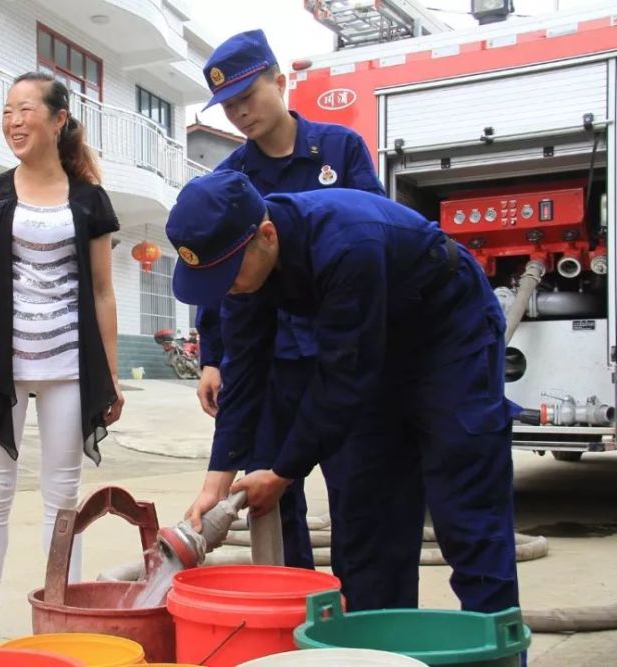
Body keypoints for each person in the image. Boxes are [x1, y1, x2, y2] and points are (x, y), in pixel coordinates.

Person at [167, 170, 521, 616]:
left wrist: (282, 472)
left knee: (465, 507)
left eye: (227, 275)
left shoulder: (347, 245)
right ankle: (379, 653)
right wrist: (214, 486)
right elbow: (246, 371)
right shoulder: (244, 266)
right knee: (369, 514)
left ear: (267, 235)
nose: (226, 288)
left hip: (448, 332)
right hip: (373, 340)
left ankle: (500, 653)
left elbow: (342, 378)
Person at [188, 29, 385, 572]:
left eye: (248, 97)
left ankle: (354, 609)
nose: (241, 114)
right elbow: (220, 279)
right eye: (228, 107)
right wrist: (212, 356)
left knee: (356, 492)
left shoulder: (340, 149)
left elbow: (374, 236)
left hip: (338, 350)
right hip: (269, 357)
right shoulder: (231, 177)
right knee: (270, 496)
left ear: (280, 81)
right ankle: (291, 606)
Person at [0, 72, 124, 649]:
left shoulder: (89, 200)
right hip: (0, 363)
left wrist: (112, 375)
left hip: (71, 365)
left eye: (26, 110)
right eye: (7, 111)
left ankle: (61, 614)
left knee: (61, 499)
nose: (14, 121)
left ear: (57, 120)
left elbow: (101, 291)